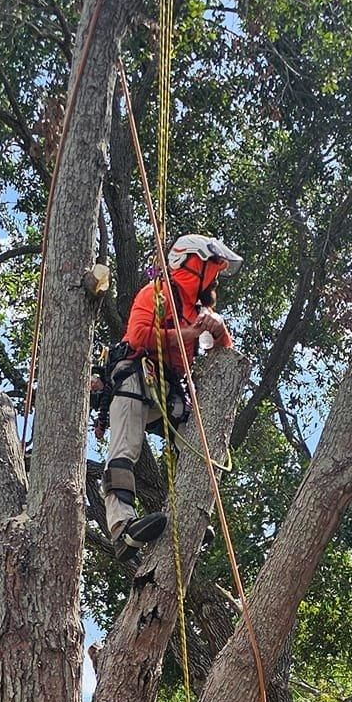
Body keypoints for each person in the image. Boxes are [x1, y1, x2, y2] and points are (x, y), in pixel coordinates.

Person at [96, 233, 242, 557]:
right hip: (135, 374)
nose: (215, 275)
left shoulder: (198, 309)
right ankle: (121, 528)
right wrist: (186, 334)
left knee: (196, 446)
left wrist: (219, 330)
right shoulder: (157, 293)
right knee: (125, 446)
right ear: (191, 262)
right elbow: (138, 334)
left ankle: (190, 515)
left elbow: (224, 358)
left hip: (170, 387)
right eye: (212, 267)